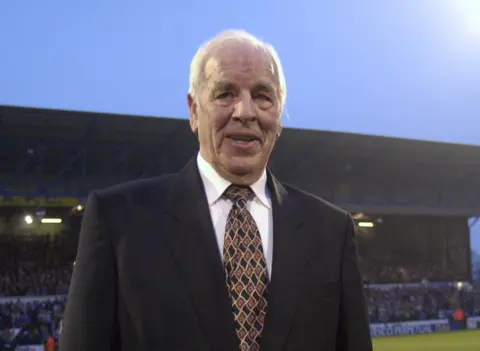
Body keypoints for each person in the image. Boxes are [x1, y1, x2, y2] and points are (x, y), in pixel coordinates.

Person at [60, 30, 372, 351]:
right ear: (194, 110)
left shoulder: (332, 231)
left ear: (278, 115)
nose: (245, 112)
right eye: (225, 94)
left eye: (263, 95)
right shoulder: (118, 222)